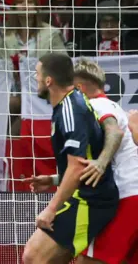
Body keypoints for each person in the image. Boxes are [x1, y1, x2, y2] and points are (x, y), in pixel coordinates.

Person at [23, 53, 119, 264]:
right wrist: (54, 179)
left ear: (49, 81)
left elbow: (76, 168)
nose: (36, 79)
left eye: (37, 74)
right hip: (85, 195)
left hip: (90, 200)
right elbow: (83, 160)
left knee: (34, 257)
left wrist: (50, 210)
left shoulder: (71, 110)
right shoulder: (69, 104)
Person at [71, 58, 138, 264]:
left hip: (127, 196)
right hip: (131, 193)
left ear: (79, 88)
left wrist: (100, 163)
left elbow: (114, 132)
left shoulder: (95, 106)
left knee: (89, 261)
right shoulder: (115, 107)